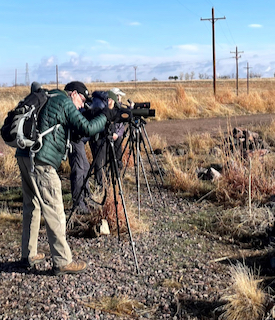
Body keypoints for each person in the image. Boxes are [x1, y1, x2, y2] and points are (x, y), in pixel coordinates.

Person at [16, 81, 108, 275]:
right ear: (73, 93)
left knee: (31, 206)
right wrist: (106, 116)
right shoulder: (64, 102)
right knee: (55, 209)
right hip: (41, 161)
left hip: (24, 155)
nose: (82, 105)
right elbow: (88, 129)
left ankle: (28, 254)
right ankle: (62, 261)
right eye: (81, 99)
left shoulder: (48, 97)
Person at [88, 90, 119, 187]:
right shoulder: (99, 104)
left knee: (102, 162)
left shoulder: (99, 102)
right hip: (98, 138)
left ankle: (104, 183)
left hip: (101, 138)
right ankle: (100, 186)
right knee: (100, 163)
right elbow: (102, 121)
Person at [109, 87, 134, 170]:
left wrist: (130, 109)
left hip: (117, 134)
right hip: (115, 135)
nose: (120, 98)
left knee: (116, 156)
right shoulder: (114, 108)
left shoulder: (115, 106)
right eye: (119, 96)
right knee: (116, 156)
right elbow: (122, 116)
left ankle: (115, 172)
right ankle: (115, 173)